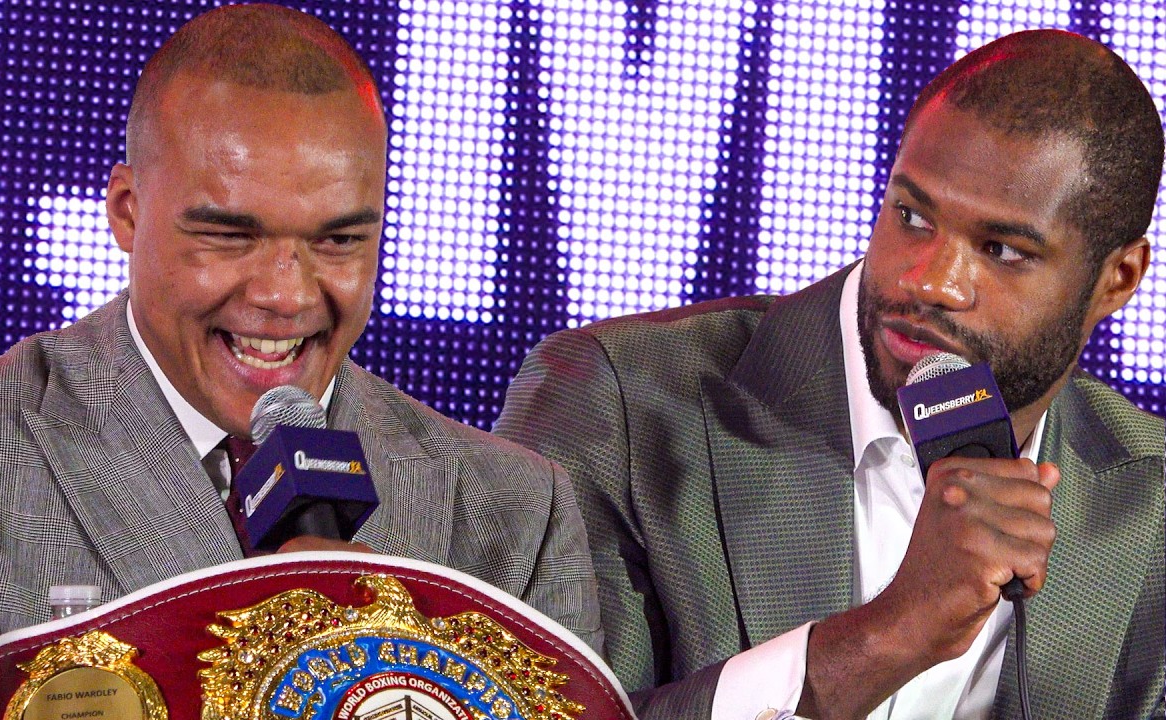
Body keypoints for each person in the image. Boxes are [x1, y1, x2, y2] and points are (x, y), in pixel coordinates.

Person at [0, 5, 599, 716]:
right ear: (127, 213)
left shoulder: (514, 511)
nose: (286, 295)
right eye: (229, 237)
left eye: (338, 242)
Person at [495, 29, 1164, 720]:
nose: (928, 280)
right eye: (911, 215)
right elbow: (529, 710)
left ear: (1118, 279)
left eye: (1000, 250)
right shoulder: (621, 403)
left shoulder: (1153, 508)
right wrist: (887, 637)